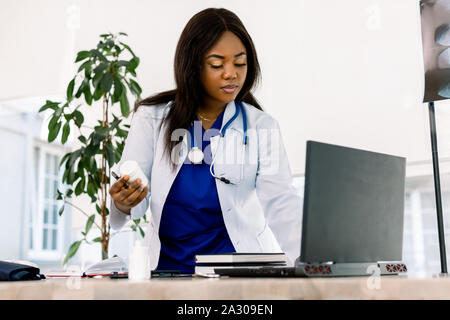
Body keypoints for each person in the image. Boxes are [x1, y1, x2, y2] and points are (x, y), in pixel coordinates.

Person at [109, 8, 302, 274]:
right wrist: (124, 200)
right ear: (193, 65)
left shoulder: (261, 126)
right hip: (168, 274)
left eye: (239, 62)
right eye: (217, 64)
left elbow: (282, 203)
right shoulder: (151, 118)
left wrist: (310, 264)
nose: (230, 73)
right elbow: (132, 188)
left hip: (240, 277)